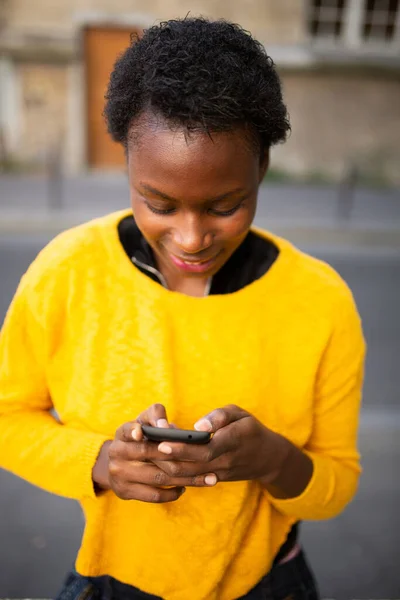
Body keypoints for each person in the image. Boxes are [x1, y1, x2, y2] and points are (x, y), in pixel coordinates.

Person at [0, 17, 366, 600]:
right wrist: (99, 461)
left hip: (269, 583)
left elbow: (337, 483)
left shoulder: (320, 301)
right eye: (158, 203)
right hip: (114, 583)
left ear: (262, 170)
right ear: (126, 166)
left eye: (225, 205)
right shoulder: (65, 272)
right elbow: (8, 417)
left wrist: (272, 459)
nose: (192, 238)